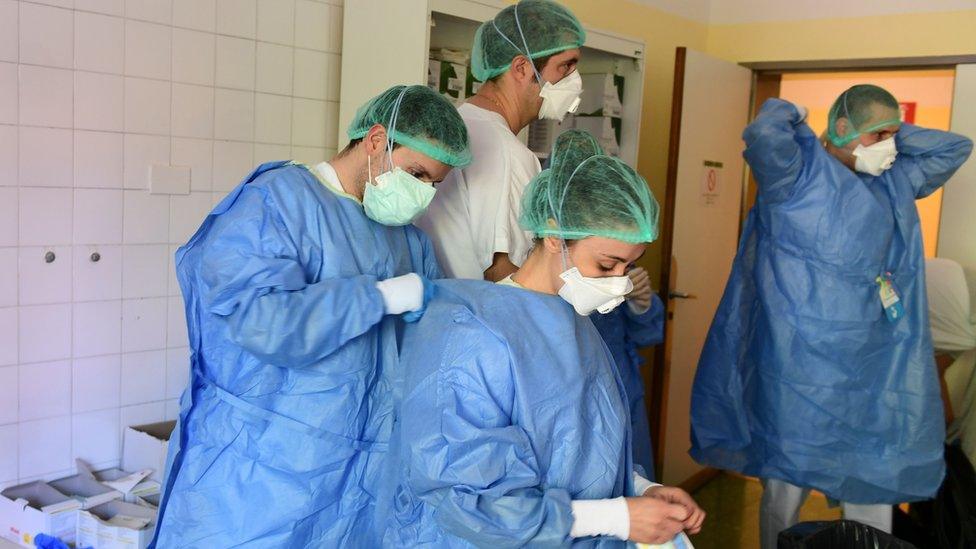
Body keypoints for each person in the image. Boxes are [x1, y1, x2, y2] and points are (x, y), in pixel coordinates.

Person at [151, 85, 471, 548]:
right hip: (258, 476)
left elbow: (432, 345)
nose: (424, 194)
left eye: (434, 184)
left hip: (357, 486)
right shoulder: (277, 201)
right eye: (417, 173)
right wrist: (377, 298)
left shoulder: (409, 241)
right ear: (377, 140)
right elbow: (261, 321)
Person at [382, 130, 704, 547]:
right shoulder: (471, 335)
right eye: (607, 265)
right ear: (554, 236)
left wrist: (640, 490)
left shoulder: (573, 320)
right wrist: (617, 516)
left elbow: (584, 451)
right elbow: (468, 502)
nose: (618, 283)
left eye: (627, 266)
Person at [689, 84, 973, 549]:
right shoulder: (796, 174)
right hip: (797, 366)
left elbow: (955, 148)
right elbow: (763, 136)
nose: (889, 145)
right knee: (785, 488)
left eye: (892, 136)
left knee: (872, 484)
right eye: (876, 134)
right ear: (842, 129)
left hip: (871, 365)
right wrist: (791, 113)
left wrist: (889, 134)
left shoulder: (893, 179)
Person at [417, 0, 586, 281]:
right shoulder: (507, 153)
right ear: (521, 67)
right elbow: (503, 273)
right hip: (480, 316)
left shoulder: (457, 123)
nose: (575, 80)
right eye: (565, 66)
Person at [590, 271, 666, 477]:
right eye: (607, 263)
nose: (619, 269)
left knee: (634, 471)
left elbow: (646, 335)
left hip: (624, 384)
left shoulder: (618, 268)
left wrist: (641, 306)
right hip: (581, 394)